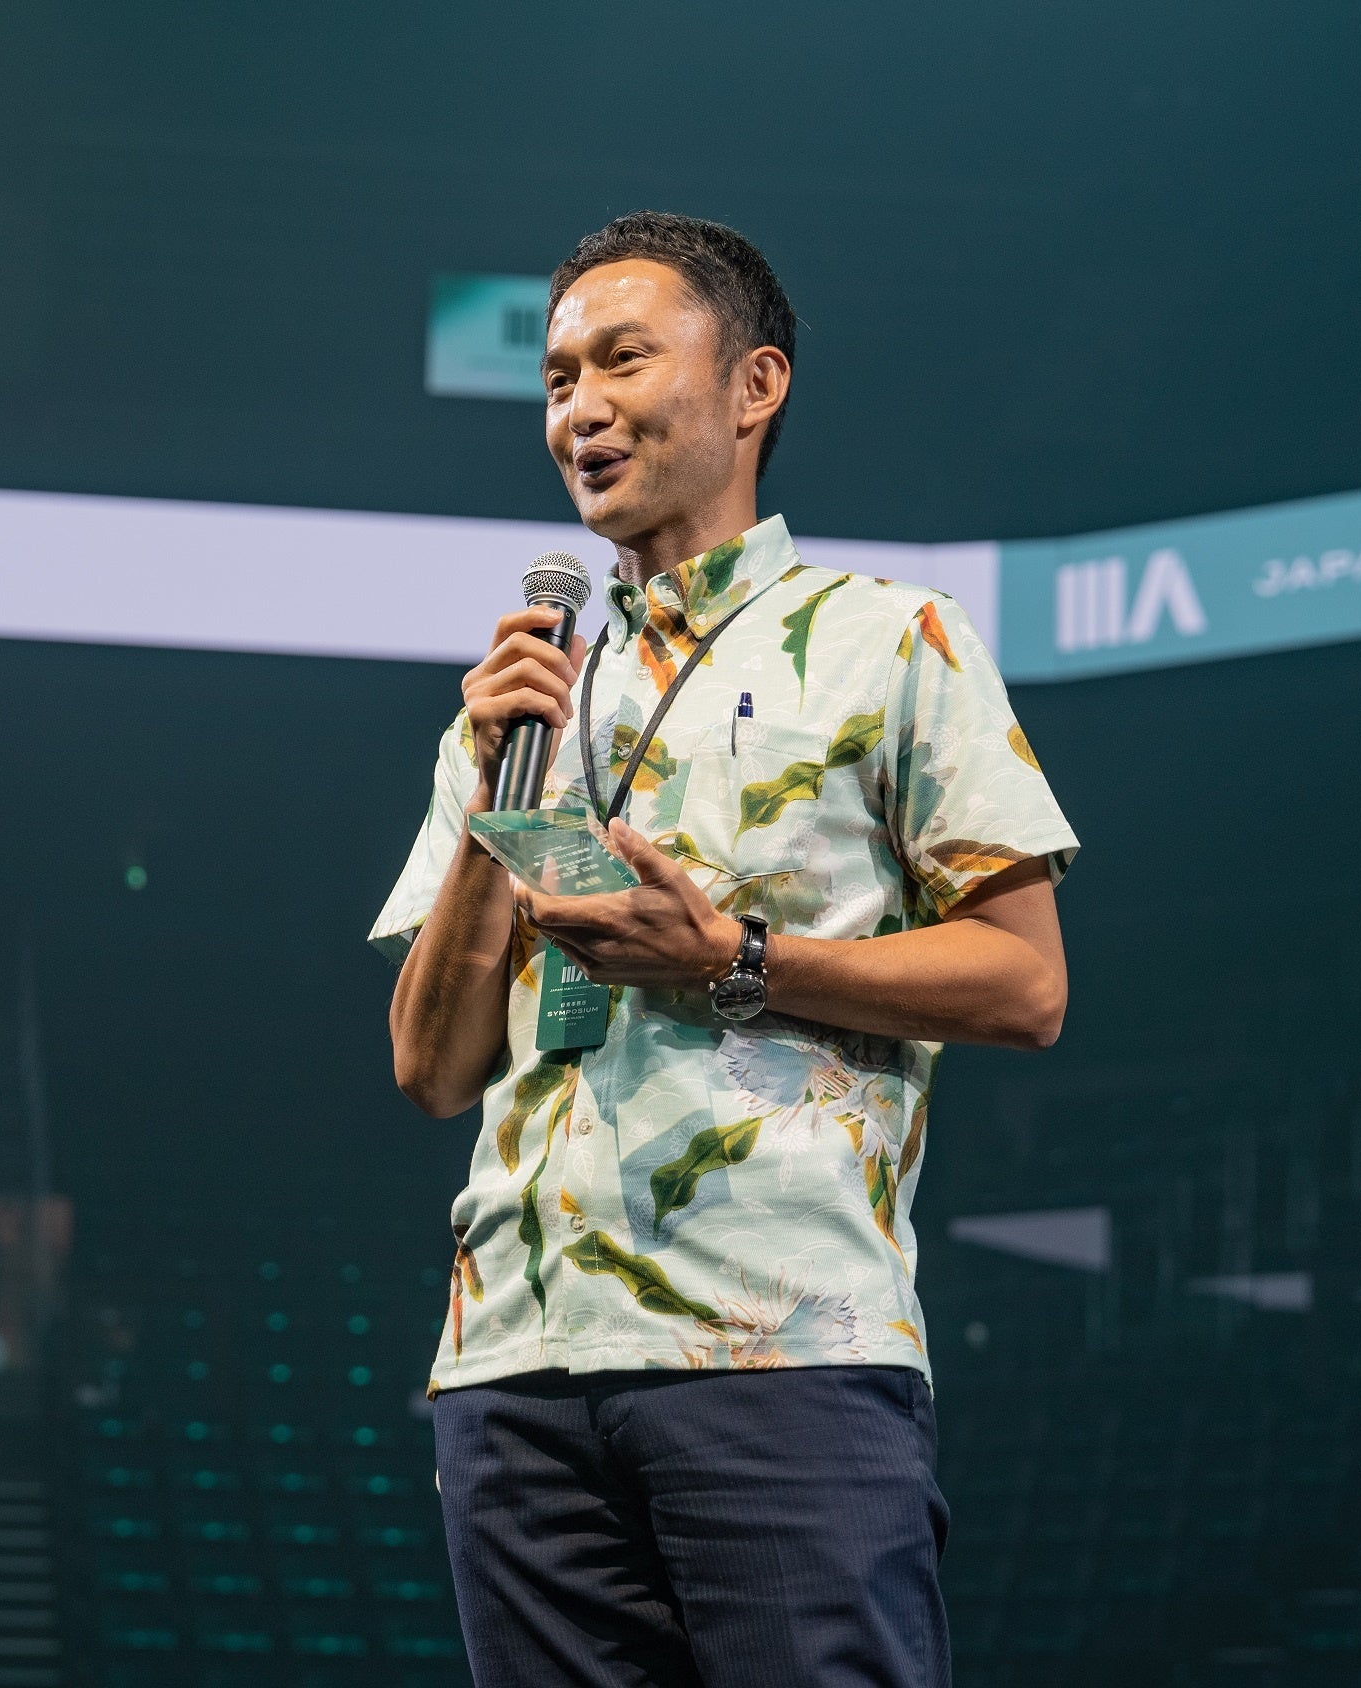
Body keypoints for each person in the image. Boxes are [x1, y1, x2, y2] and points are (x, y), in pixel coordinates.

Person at [372, 213, 1079, 1688]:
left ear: (754, 385)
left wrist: (734, 958)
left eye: (623, 360)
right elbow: (430, 1068)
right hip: (512, 1364)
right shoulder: (516, 699)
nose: (580, 408)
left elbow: (1026, 985)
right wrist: (499, 782)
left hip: (782, 1348)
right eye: (558, 378)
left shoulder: (894, 638)